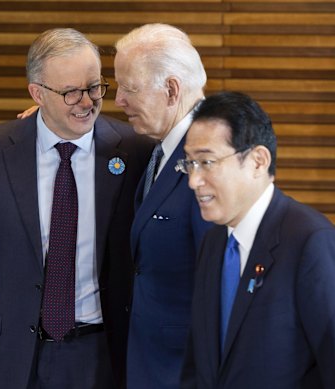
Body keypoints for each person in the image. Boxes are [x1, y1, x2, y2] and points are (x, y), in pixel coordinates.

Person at [0, 28, 152, 389]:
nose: (86, 102)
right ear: (37, 93)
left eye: (94, 87)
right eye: (70, 92)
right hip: (18, 359)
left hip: (106, 355)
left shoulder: (135, 150)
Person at [178, 91, 335, 388]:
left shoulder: (311, 243)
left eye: (206, 162)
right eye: (190, 164)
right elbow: (199, 366)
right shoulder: (214, 242)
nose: (194, 180)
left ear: (258, 161)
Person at [113, 24, 213, 389]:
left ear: (171, 90)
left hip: (183, 371)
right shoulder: (160, 147)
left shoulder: (210, 158)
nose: (119, 100)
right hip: (150, 365)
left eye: (129, 88)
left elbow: (220, 287)